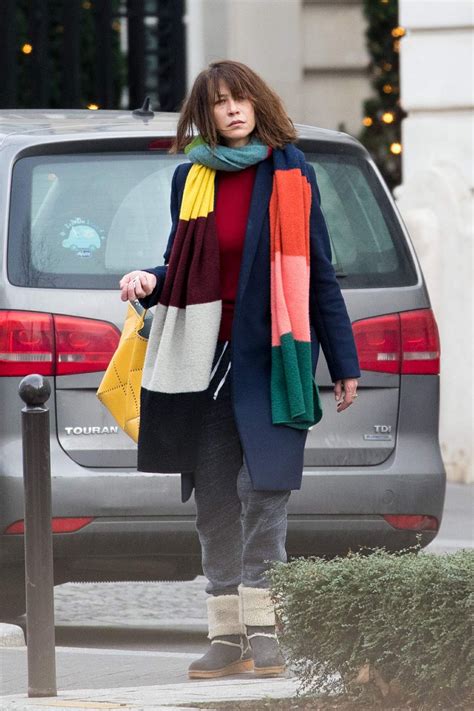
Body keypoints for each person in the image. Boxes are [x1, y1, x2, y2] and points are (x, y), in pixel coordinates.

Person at [119, 59, 360, 680]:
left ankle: (265, 625)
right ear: (206, 112)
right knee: (216, 501)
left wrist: (343, 362)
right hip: (203, 363)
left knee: (267, 493)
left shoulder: (291, 174)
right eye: (220, 101)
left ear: (257, 104)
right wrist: (151, 279)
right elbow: (181, 262)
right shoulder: (191, 178)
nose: (231, 110)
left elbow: (320, 275)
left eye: (240, 98)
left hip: (273, 359)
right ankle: (226, 635)